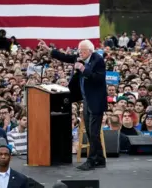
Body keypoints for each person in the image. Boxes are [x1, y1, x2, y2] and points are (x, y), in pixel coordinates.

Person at [39, 39, 107, 170]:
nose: (80, 53)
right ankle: (100, 158)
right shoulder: (79, 57)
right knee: (90, 131)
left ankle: (92, 160)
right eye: (79, 50)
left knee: (93, 133)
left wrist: (83, 69)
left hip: (96, 101)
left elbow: (98, 79)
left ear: (90, 51)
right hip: (86, 99)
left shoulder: (98, 60)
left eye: (83, 51)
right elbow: (65, 57)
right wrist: (48, 50)